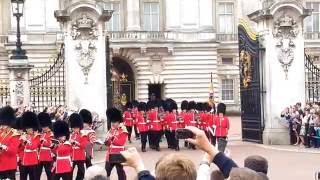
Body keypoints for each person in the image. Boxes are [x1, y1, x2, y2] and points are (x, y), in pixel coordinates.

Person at [105, 107, 128, 180]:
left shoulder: (123, 130)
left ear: (119, 122)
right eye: (112, 122)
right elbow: (109, 143)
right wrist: (106, 141)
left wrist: (112, 138)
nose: (113, 124)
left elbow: (121, 142)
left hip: (119, 154)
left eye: (114, 122)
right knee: (106, 170)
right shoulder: (110, 130)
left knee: (120, 171)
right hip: (110, 154)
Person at [0, 106, 20, 180]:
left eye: (3, 124)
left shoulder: (14, 134)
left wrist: (3, 147)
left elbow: (14, 150)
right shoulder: (1, 133)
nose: (2, 126)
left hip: (9, 164)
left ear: (8, 123)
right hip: (1, 163)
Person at [20, 111, 41, 180]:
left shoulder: (37, 136)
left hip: (33, 160)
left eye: (29, 128)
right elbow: (20, 148)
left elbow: (34, 146)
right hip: (25, 159)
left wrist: (26, 141)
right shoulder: (24, 136)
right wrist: (21, 141)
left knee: (33, 177)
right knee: (23, 177)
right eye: (27, 128)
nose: (28, 130)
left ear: (33, 128)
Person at [69, 113, 87, 180]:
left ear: (79, 127)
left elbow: (83, 145)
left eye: (76, 128)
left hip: (80, 156)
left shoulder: (83, 135)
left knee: (81, 172)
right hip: (72, 156)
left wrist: (76, 143)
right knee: (70, 171)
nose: (74, 129)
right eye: (73, 128)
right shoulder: (71, 135)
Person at [37, 112, 54, 180]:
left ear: (48, 126)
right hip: (40, 157)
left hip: (47, 157)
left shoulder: (51, 134)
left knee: (49, 174)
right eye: (42, 126)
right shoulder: (40, 134)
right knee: (37, 174)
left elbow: (51, 145)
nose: (43, 128)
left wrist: (44, 142)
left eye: (45, 127)